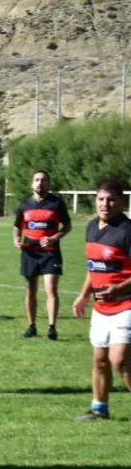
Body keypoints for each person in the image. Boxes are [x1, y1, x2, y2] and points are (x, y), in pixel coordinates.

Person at [72, 179, 131, 421]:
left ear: (121, 202)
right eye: (101, 199)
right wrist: (84, 294)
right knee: (99, 360)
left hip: (126, 304)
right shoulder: (91, 227)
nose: (105, 204)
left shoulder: (127, 231)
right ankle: (99, 408)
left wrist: (118, 288)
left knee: (119, 360)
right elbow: (93, 267)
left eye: (111, 199)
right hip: (100, 307)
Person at [13, 170, 71, 340]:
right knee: (30, 290)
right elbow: (17, 226)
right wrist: (16, 239)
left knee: (50, 288)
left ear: (49, 184)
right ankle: (31, 326)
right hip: (29, 253)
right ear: (32, 183)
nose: (40, 183)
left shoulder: (56, 203)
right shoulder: (24, 204)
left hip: (50, 253)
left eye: (44, 180)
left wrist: (54, 237)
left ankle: (52, 327)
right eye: (37, 180)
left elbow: (67, 226)